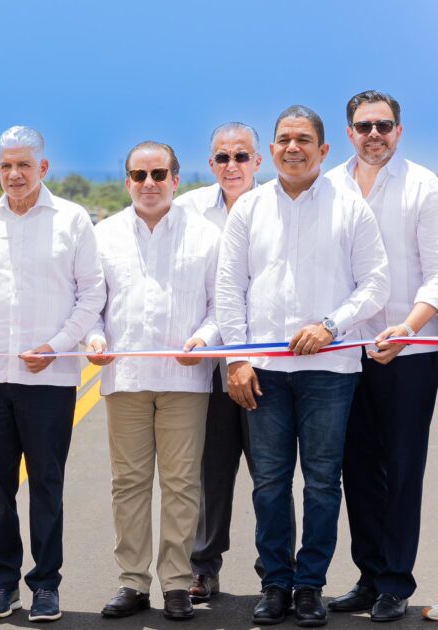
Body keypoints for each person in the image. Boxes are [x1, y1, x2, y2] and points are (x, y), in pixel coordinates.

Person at [217, 105, 389, 627]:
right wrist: (239, 360)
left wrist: (331, 325)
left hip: (330, 374)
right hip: (263, 371)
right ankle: (275, 584)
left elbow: (375, 282)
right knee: (268, 482)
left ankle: (310, 585)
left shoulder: (351, 206)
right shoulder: (248, 209)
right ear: (271, 151)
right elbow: (230, 289)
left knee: (320, 483)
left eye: (304, 139)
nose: (294, 147)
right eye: (285, 139)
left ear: (323, 149)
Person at [0, 126, 104, 622]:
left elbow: (92, 295)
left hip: (49, 381)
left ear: (43, 168)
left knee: (46, 486)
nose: (14, 175)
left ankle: (46, 585)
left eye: (24, 165)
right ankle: (2, 584)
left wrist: (57, 347)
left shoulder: (72, 220)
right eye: (6, 166)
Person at [88, 141, 220, 622]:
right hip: (124, 377)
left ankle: (178, 583)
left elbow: (218, 307)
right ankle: (132, 582)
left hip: (185, 380)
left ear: (175, 179)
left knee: (183, 483)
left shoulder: (205, 237)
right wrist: (94, 337)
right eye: (139, 175)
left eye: (158, 174)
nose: (149, 184)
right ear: (127, 181)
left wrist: (204, 340)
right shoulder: (102, 235)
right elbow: (91, 305)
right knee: (128, 483)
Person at [324, 90, 438, 623]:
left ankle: (396, 581)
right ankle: (369, 577)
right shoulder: (329, 186)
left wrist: (408, 328)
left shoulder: (424, 186)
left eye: (384, 126)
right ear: (349, 133)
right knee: (357, 468)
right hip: (345, 349)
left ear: (399, 130)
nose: (374, 135)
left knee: (402, 468)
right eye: (364, 126)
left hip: (409, 351)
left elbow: (437, 272)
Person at [175, 122, 294, 601]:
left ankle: (276, 571)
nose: (231, 166)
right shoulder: (187, 210)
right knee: (211, 473)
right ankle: (203, 566)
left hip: (262, 368)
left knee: (272, 475)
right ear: (210, 164)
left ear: (257, 161)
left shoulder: (277, 208)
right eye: (222, 158)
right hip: (206, 370)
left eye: (241, 157)